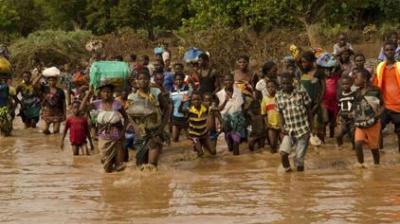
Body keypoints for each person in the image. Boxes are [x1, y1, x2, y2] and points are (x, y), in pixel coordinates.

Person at [126, 70, 171, 170]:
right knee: (141, 166)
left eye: (145, 79)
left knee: (152, 165)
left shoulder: (156, 92)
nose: (143, 81)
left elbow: (167, 108)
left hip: (155, 131)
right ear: (136, 81)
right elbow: (129, 114)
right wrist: (135, 127)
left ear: (149, 80)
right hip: (141, 133)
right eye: (140, 79)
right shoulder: (131, 97)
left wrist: (162, 127)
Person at [81, 84, 128, 173]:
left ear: (112, 93)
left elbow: (126, 118)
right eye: (104, 92)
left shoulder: (117, 104)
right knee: (107, 167)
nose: (106, 94)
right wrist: (88, 94)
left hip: (117, 136)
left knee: (119, 167)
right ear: (100, 93)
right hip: (103, 137)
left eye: (109, 92)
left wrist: (123, 132)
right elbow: (81, 109)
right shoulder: (97, 103)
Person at [276, 73, 312, 172]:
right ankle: (288, 173)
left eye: (288, 83)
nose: (286, 86)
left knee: (299, 159)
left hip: (303, 129)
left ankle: (300, 179)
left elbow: (309, 109)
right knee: (283, 153)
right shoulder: (278, 96)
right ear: (281, 84)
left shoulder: (301, 92)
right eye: (283, 84)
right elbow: (280, 113)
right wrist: (281, 126)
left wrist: (311, 127)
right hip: (289, 130)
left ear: (292, 82)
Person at [373, 40, 400, 152]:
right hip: (384, 105)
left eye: (391, 50)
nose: (389, 52)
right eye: (387, 50)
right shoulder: (380, 67)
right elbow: (375, 86)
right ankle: (380, 153)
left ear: (395, 51)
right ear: (383, 52)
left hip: (398, 106)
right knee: (378, 128)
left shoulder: (399, 66)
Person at [353, 69, 383, 166]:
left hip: (373, 123)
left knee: (373, 147)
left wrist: (378, 114)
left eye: (357, 77)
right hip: (360, 123)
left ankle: (377, 165)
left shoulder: (375, 90)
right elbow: (355, 106)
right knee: (357, 143)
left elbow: (383, 105)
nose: (354, 79)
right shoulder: (357, 92)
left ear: (365, 79)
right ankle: (361, 165)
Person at [299, 51, 326, 143]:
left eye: (305, 62)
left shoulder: (319, 72)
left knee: (318, 124)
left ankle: (322, 143)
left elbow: (323, 88)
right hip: (304, 104)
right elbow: (296, 61)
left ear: (311, 62)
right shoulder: (303, 71)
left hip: (316, 102)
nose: (303, 64)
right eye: (302, 62)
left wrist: (318, 103)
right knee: (306, 125)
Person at [180, 91, 216, 157]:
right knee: (200, 153)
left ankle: (201, 144)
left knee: (213, 152)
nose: (196, 101)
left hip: (204, 133)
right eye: (194, 100)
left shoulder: (205, 107)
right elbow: (180, 111)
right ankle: (197, 147)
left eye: (198, 99)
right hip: (194, 135)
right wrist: (182, 103)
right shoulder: (190, 109)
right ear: (191, 101)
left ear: (201, 100)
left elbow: (213, 106)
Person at [217, 74, 245, 155]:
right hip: (226, 120)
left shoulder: (238, 91)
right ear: (223, 82)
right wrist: (225, 100)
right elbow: (218, 109)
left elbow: (241, 106)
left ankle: (237, 165)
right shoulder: (219, 94)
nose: (228, 82)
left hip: (237, 120)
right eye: (226, 80)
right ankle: (228, 137)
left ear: (233, 81)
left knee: (236, 147)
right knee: (230, 147)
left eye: (230, 80)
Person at [318, 53, 340, 139]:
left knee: (332, 122)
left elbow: (340, 67)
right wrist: (323, 57)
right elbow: (318, 64)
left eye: (330, 69)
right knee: (325, 120)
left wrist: (335, 58)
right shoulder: (321, 79)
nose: (328, 72)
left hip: (334, 102)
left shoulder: (335, 76)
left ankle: (331, 137)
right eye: (326, 70)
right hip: (324, 102)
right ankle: (322, 137)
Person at [170, 73, 192, 142]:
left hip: (186, 116)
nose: (178, 81)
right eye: (177, 80)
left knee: (191, 138)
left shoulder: (188, 89)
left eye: (180, 79)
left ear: (183, 80)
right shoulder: (171, 90)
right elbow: (171, 104)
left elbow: (192, 102)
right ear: (174, 80)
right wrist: (170, 118)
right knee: (174, 139)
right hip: (175, 116)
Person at [336, 75, 356, 149]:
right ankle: (340, 146)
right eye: (343, 84)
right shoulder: (340, 95)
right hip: (343, 118)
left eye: (347, 84)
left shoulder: (354, 94)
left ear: (351, 84)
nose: (345, 86)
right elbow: (339, 107)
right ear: (341, 85)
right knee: (339, 134)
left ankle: (354, 147)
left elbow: (356, 105)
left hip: (352, 118)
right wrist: (338, 116)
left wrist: (354, 113)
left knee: (353, 134)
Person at [261, 79, 280, 153]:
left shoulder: (279, 97)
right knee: (272, 144)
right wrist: (267, 124)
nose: (271, 88)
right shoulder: (265, 99)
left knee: (285, 145)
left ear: (276, 87)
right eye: (268, 87)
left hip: (281, 125)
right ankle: (274, 161)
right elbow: (264, 114)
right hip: (271, 126)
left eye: (272, 86)